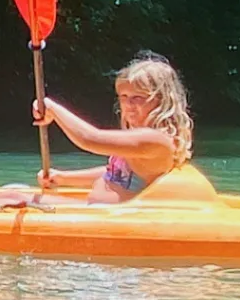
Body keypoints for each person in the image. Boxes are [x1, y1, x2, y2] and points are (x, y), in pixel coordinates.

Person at [30, 52, 194, 203]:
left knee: (12, 199)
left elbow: (90, 139)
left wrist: (52, 108)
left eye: (138, 97)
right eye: (124, 96)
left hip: (116, 219)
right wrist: (63, 178)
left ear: (161, 101)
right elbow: (116, 173)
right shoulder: (138, 136)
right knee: (12, 191)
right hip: (99, 211)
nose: (128, 105)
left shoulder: (156, 140)